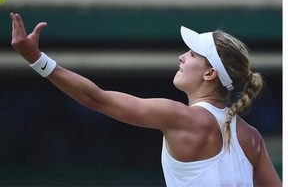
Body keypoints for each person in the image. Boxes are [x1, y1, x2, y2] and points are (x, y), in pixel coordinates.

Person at [10, 13, 281, 187]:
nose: (181, 57)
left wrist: (37, 60)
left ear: (210, 73)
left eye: (192, 54)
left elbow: (96, 99)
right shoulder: (253, 138)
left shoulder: (181, 117)